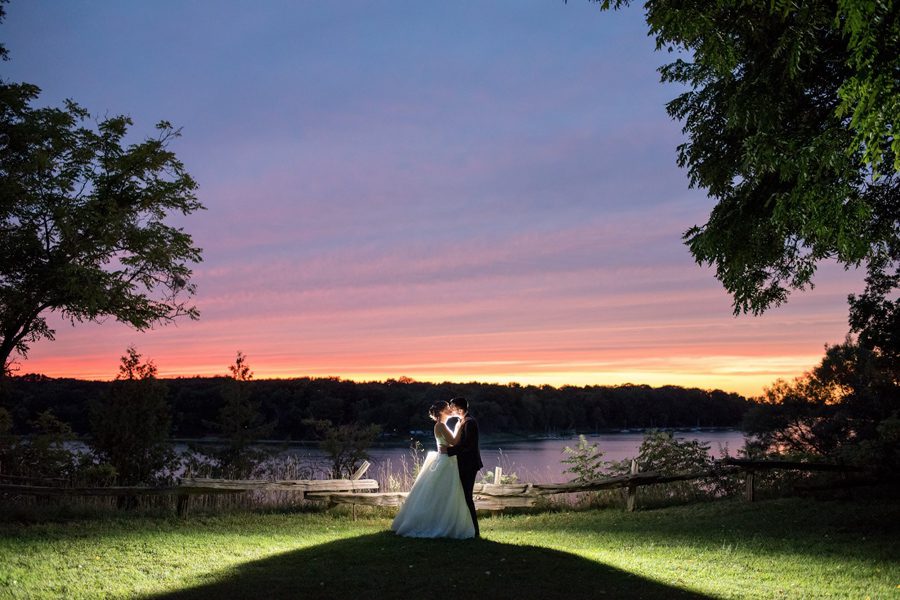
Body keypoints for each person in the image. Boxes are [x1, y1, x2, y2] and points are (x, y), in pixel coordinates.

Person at [391, 401, 475, 539]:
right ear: (441, 411)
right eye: (447, 408)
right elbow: (454, 442)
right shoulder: (441, 425)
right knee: (444, 493)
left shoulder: (442, 425)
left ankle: (444, 520)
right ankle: (439, 523)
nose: (450, 409)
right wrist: (460, 426)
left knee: (445, 494)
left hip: (447, 459)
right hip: (446, 462)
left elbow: (450, 443)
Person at [443, 396, 483, 537]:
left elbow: (468, 446)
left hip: (469, 464)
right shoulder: (462, 421)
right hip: (463, 464)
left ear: (460, 408)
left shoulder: (470, 423)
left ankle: (475, 531)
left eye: (452, 407)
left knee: (467, 497)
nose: (450, 409)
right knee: (461, 496)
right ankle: (463, 527)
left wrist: (448, 451)